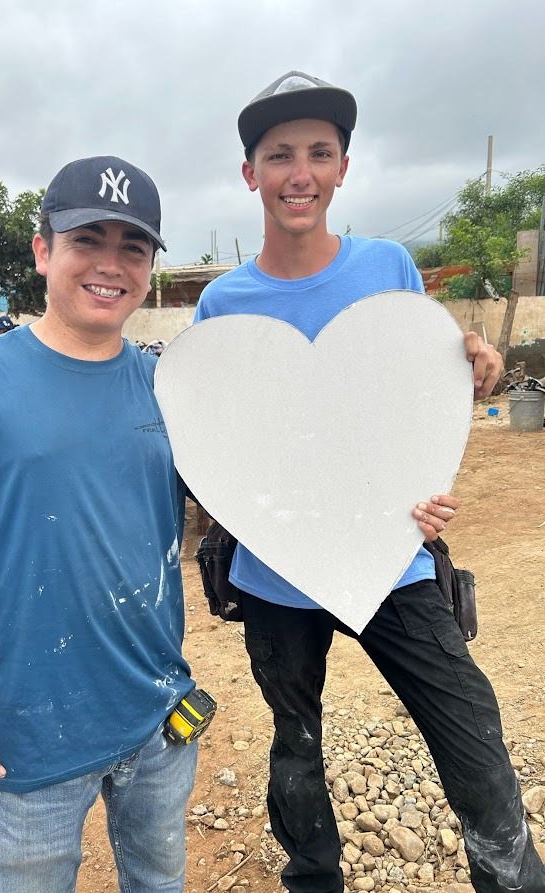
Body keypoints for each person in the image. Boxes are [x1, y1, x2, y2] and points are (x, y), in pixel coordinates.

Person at [194, 72, 544, 893]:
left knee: (471, 728)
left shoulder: (387, 265)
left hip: (391, 556)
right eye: (279, 155)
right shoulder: (219, 304)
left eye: (319, 152)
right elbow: (218, 442)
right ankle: (313, 879)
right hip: (275, 566)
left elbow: (408, 388)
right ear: (251, 174)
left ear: (343, 168)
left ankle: (509, 875)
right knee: (295, 743)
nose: (299, 172)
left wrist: (472, 380)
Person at [0, 156, 197, 893]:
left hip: (156, 720)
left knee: (160, 882)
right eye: (88, 239)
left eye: (133, 247)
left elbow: (263, 486)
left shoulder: (166, 387)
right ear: (43, 250)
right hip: (22, 745)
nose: (110, 264)